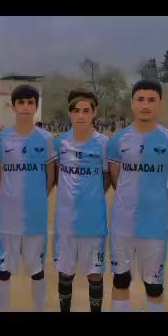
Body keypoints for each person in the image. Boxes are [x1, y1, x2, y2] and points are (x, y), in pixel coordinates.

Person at [107, 81, 168, 311]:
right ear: (132, 103)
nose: (145, 105)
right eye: (140, 99)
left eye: (151, 100)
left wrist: (157, 205)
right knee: (120, 280)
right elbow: (116, 180)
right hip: (122, 223)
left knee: (154, 286)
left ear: (160, 104)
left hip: (154, 226)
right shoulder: (117, 140)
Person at [0, 84, 57, 311]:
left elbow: (50, 176)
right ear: (13, 106)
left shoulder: (47, 139)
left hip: (36, 217)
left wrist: (36, 199)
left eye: (30, 102)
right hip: (8, 216)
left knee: (37, 270)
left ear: (36, 106)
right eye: (21, 102)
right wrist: (11, 197)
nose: (26, 107)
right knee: (4, 270)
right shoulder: (0, 139)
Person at [54, 90, 110, 312]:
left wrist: (91, 198)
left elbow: (107, 179)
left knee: (95, 274)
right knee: (65, 272)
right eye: (76, 110)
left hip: (93, 222)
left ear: (94, 112)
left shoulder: (104, 143)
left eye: (86, 110)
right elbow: (55, 175)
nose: (81, 115)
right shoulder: (60, 142)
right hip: (66, 221)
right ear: (70, 112)